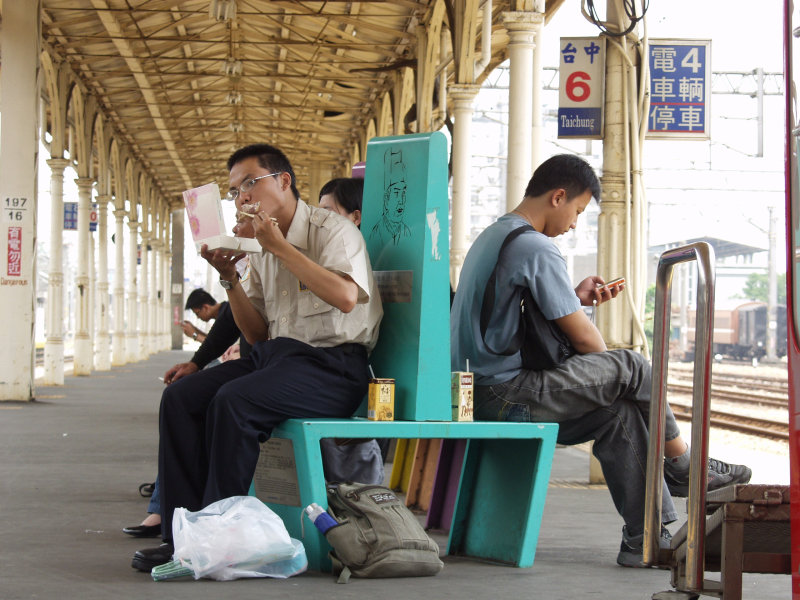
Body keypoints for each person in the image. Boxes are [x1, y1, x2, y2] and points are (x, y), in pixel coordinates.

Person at [450, 153, 752, 568]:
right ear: (558, 196)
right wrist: (615, 372)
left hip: (475, 392)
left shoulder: (496, 234)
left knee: (618, 414)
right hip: (505, 394)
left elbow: (513, 314)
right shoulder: (537, 246)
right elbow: (586, 340)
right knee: (633, 367)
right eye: (577, 210)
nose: (574, 223)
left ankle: (643, 538)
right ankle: (683, 465)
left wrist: (573, 298)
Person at [132, 143, 383, 572]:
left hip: (332, 366)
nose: (242, 197)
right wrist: (230, 277)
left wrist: (280, 247)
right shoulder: (257, 247)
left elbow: (344, 297)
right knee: (181, 398)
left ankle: (218, 541)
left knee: (235, 400)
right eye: (234, 191)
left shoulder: (333, 231)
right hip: (276, 358)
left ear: (283, 181)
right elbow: (255, 332)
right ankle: (181, 539)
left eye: (251, 183)